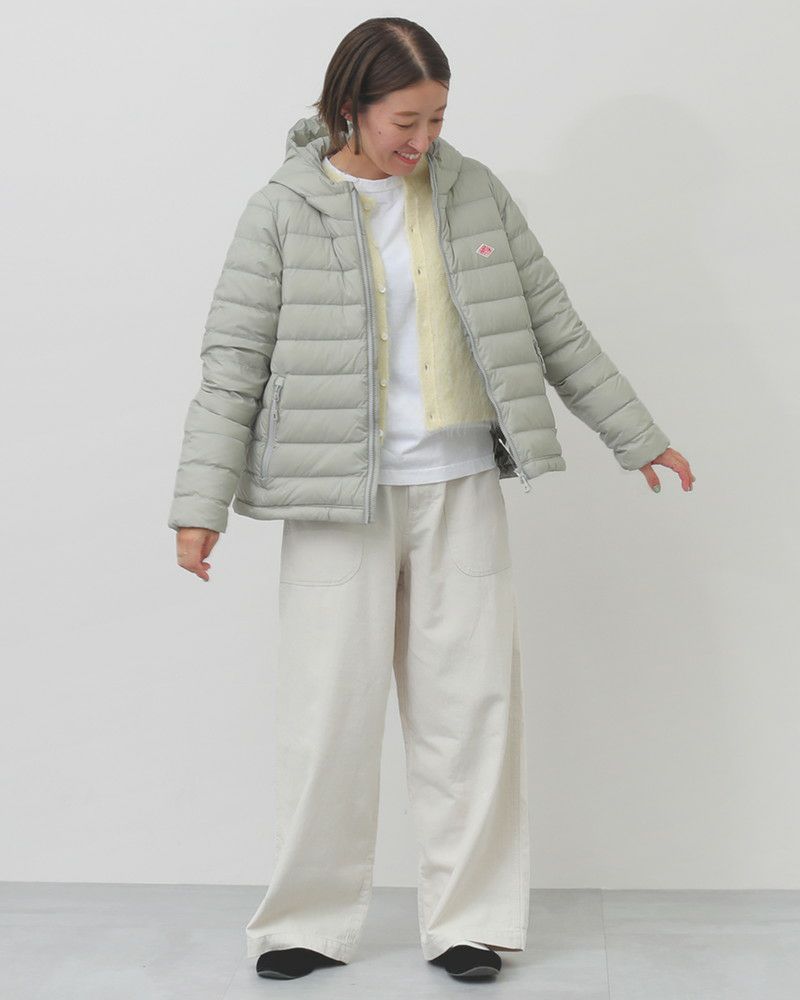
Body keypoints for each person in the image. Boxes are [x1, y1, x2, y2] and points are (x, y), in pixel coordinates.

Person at [168, 16, 695, 982]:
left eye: (439, 118)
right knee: (328, 717)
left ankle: (471, 923)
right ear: (348, 108)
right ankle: (305, 923)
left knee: (471, 710)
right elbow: (233, 360)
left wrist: (637, 434)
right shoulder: (282, 209)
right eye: (405, 121)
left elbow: (552, 324)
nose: (424, 139)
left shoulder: (472, 191)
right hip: (336, 496)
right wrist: (199, 504)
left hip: (458, 484)